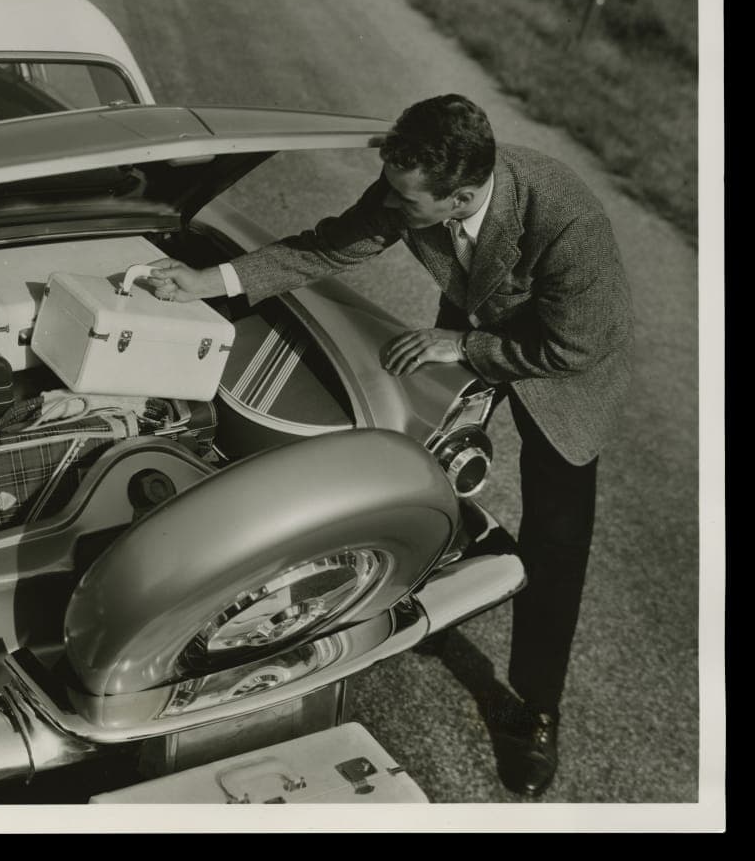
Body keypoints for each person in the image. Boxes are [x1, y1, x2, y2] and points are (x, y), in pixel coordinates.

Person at [148, 93, 634, 798]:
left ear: (459, 195)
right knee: (426, 464)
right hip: (467, 328)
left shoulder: (566, 217)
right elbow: (330, 244)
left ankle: (536, 710)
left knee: (557, 543)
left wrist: (463, 344)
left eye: (407, 202)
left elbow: (577, 342)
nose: (391, 205)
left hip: (564, 370)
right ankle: (420, 593)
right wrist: (208, 281)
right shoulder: (413, 189)